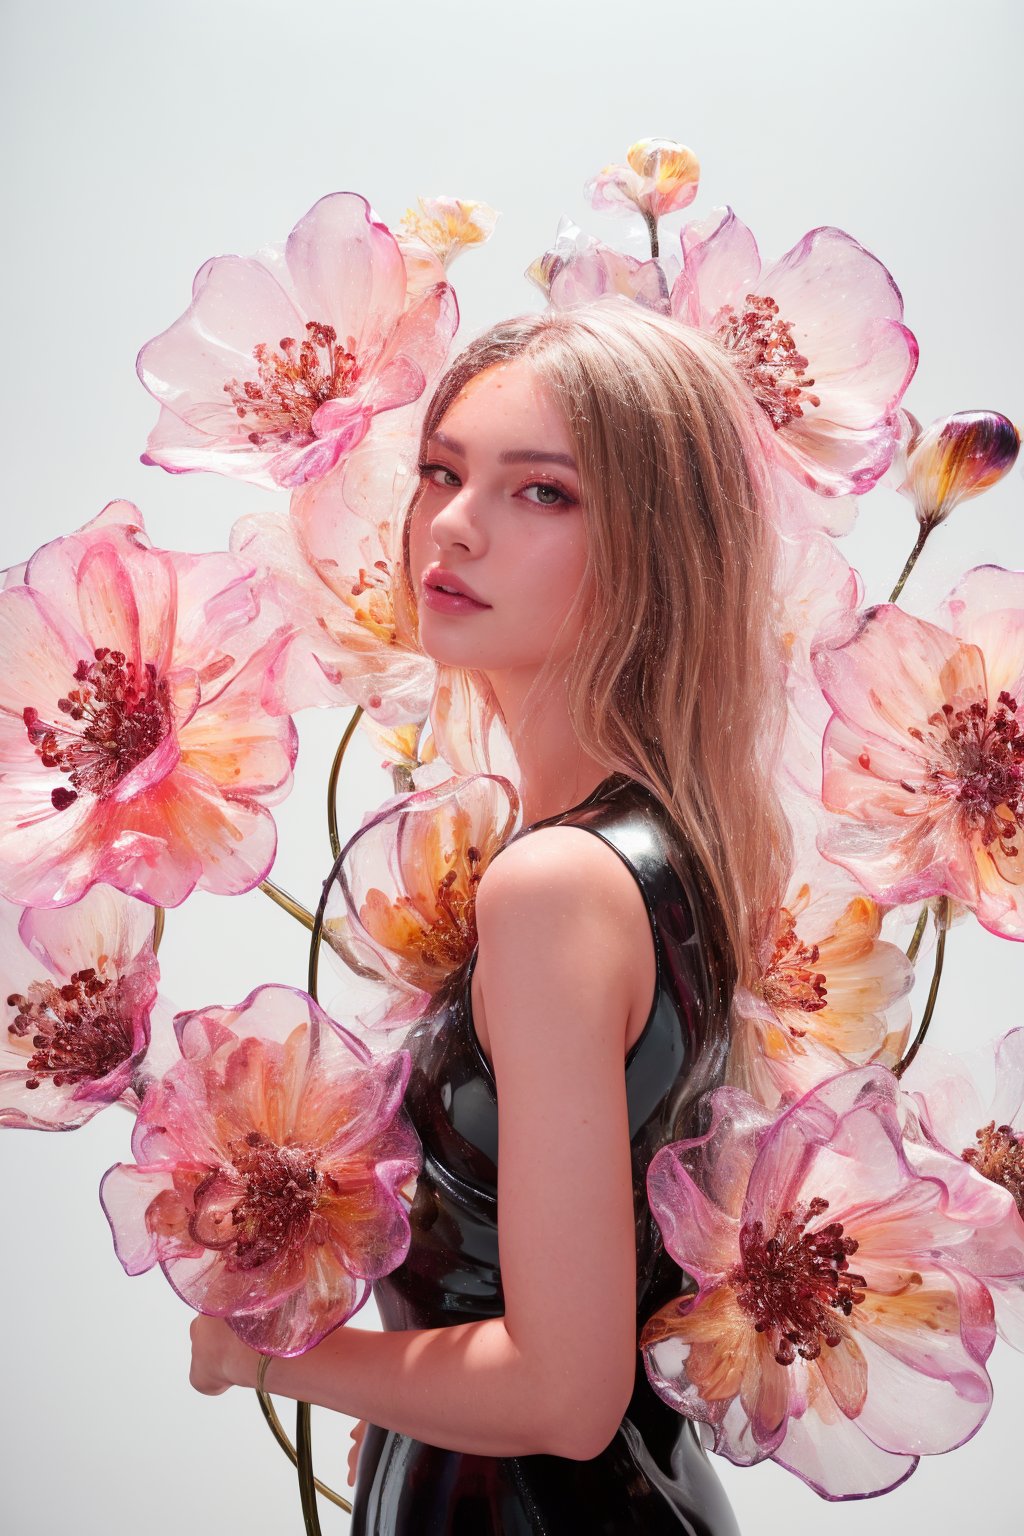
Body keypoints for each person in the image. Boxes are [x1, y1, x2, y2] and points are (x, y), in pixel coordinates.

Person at [189, 297, 793, 1534]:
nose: (451, 525)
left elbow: (563, 1393)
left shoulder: (555, 884)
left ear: (656, 550)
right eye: (441, 472)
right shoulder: (660, 857)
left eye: (541, 494)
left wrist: (261, 1357)